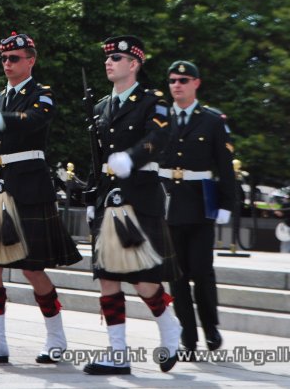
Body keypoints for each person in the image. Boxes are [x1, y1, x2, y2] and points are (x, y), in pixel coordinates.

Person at [0, 31, 82, 364]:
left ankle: (56, 337)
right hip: (1, 186)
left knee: (32, 268)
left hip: (29, 187)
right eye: (3, 58)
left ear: (31, 60)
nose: (7, 63)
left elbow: (34, 121)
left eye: (14, 58)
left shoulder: (42, 94)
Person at [84, 36, 180, 375]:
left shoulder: (152, 101)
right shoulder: (100, 106)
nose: (109, 63)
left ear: (134, 64)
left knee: (143, 280)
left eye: (117, 58)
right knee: (107, 277)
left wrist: (132, 157)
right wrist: (92, 197)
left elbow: (159, 137)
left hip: (139, 195)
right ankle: (118, 353)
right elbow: (95, 157)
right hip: (108, 197)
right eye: (108, 58)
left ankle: (169, 327)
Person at [159, 60, 236, 354]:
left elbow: (225, 167)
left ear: (196, 83)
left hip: (201, 204)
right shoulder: (160, 118)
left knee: (202, 272)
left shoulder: (213, 121)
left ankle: (210, 327)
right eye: (172, 80)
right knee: (176, 276)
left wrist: (227, 203)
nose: (177, 85)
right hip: (169, 204)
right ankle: (187, 337)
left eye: (183, 80)